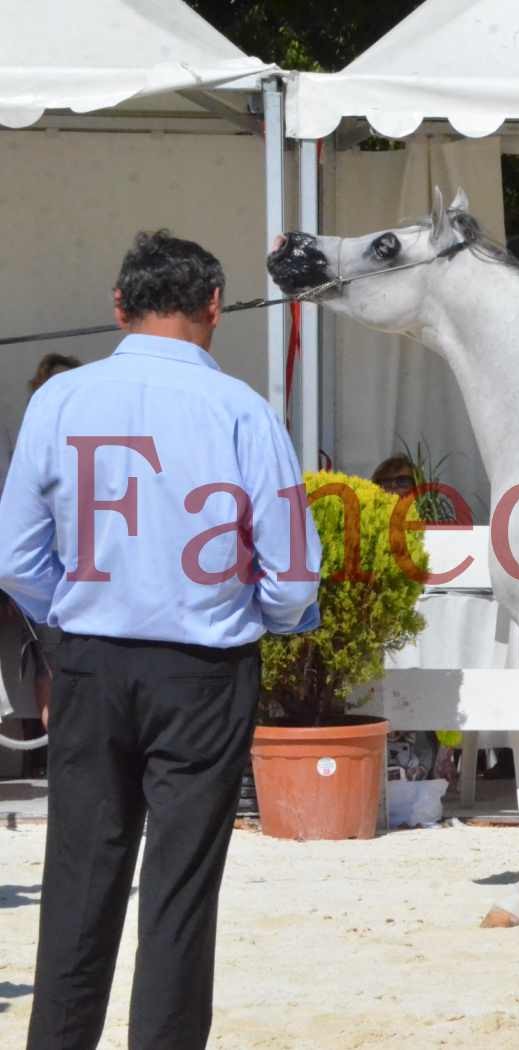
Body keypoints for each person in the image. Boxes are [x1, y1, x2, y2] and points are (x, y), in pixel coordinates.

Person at [1, 230, 321, 1050]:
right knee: (180, 889)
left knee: (80, 872)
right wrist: (268, 625)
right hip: (203, 669)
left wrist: (67, 620)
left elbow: (16, 558)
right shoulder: (244, 409)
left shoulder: (58, 401)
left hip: (90, 662)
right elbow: (291, 577)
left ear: (119, 305)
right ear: (213, 307)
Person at [1, 353, 85, 772]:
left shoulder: (98, 442)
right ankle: (63, 764)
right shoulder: (32, 450)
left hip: (91, 584)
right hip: (46, 585)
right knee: (51, 670)